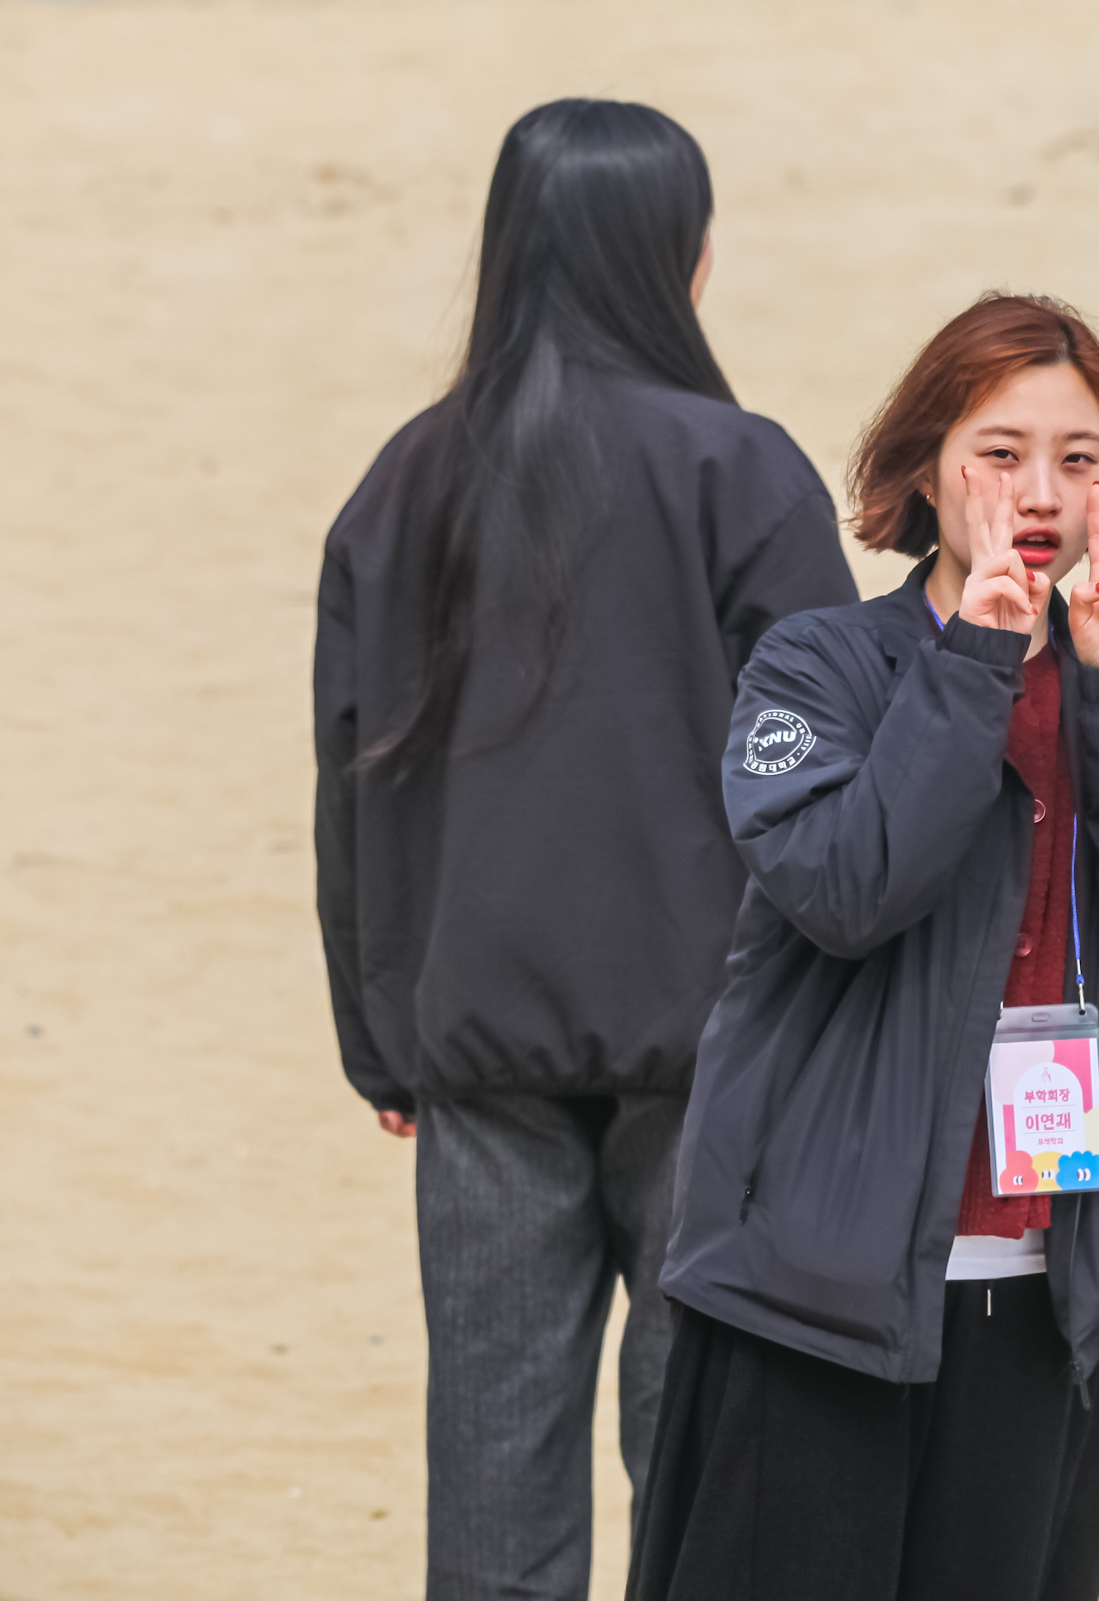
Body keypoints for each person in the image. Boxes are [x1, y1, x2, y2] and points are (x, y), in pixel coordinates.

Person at [625, 292, 1099, 1601]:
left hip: (1040, 1293)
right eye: (1000, 452)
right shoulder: (819, 666)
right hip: (811, 1298)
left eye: (1080, 458)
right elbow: (847, 887)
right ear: (925, 472)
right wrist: (978, 657)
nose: (1040, 491)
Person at [313, 98, 857, 1601]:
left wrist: (378, 1040)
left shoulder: (405, 480)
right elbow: (830, 769)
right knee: (699, 1483)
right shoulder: (741, 469)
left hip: (479, 1050)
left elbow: (353, 788)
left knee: (495, 1484)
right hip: (719, 1053)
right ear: (679, 257)